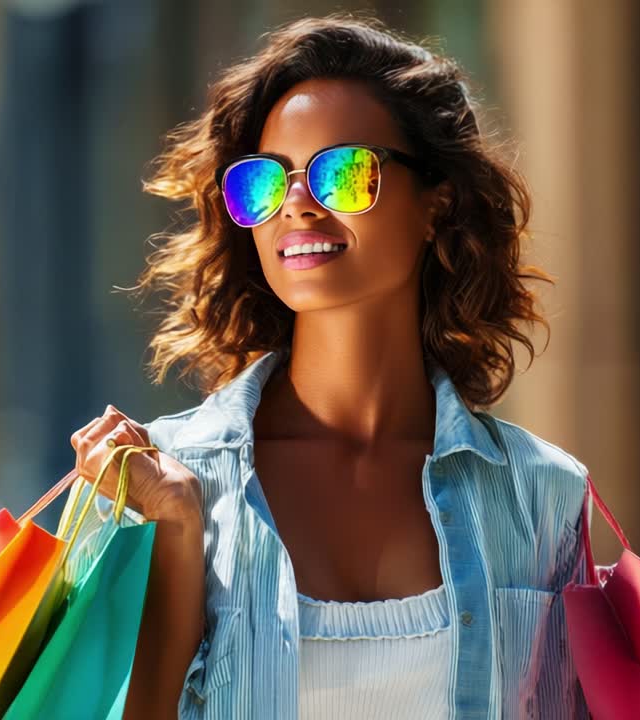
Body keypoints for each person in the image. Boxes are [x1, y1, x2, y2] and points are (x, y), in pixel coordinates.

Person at [69, 12, 591, 719]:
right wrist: (176, 533)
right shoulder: (151, 483)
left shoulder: (543, 496)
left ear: (435, 203)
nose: (297, 206)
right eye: (265, 181)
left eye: (342, 173)